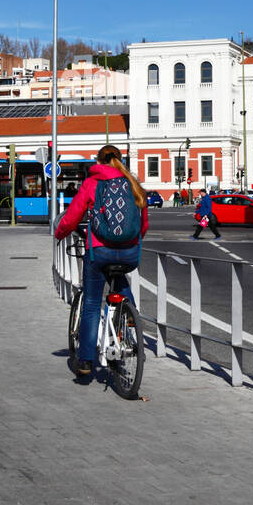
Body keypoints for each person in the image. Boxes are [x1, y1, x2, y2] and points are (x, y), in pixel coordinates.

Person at [54, 144, 149, 378]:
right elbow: (143, 223)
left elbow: (72, 216)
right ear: (120, 159)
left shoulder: (92, 183)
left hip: (99, 252)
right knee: (121, 283)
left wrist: (59, 234)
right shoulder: (134, 184)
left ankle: (85, 360)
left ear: (99, 161)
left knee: (92, 303)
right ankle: (130, 323)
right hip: (129, 253)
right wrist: (129, 242)